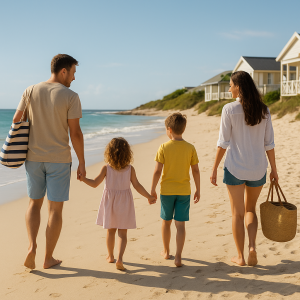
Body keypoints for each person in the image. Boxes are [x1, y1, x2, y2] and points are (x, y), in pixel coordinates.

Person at [13, 54, 85, 269]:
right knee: (55, 210)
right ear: (63, 71)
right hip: (59, 160)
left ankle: (31, 247)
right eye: (73, 73)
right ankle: (48, 258)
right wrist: (82, 162)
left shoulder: (30, 90)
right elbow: (76, 133)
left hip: (33, 158)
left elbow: (17, 120)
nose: (73, 78)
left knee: (34, 203)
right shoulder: (71, 96)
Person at [210, 71, 278, 267]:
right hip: (258, 168)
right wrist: (274, 169)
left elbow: (222, 143)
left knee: (237, 214)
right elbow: (269, 144)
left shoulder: (229, 109)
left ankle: (240, 256)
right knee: (250, 210)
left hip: (235, 168)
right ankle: (252, 247)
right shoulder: (264, 110)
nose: (229, 88)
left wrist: (214, 168)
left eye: (231, 85)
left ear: (238, 86)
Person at [79, 137, 156, 271]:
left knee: (111, 230)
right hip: (125, 203)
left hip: (110, 203)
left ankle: (110, 256)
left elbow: (95, 184)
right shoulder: (130, 169)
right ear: (127, 153)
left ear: (109, 153)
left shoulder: (106, 168)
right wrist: (148, 196)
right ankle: (120, 258)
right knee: (123, 233)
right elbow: (137, 186)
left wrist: (83, 179)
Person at [151, 113, 200, 267]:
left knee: (166, 222)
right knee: (180, 225)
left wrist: (152, 189)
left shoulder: (164, 147)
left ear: (169, 129)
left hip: (167, 191)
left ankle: (166, 252)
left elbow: (157, 171)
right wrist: (198, 189)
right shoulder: (190, 148)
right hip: (184, 191)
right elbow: (196, 171)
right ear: (183, 130)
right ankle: (178, 257)